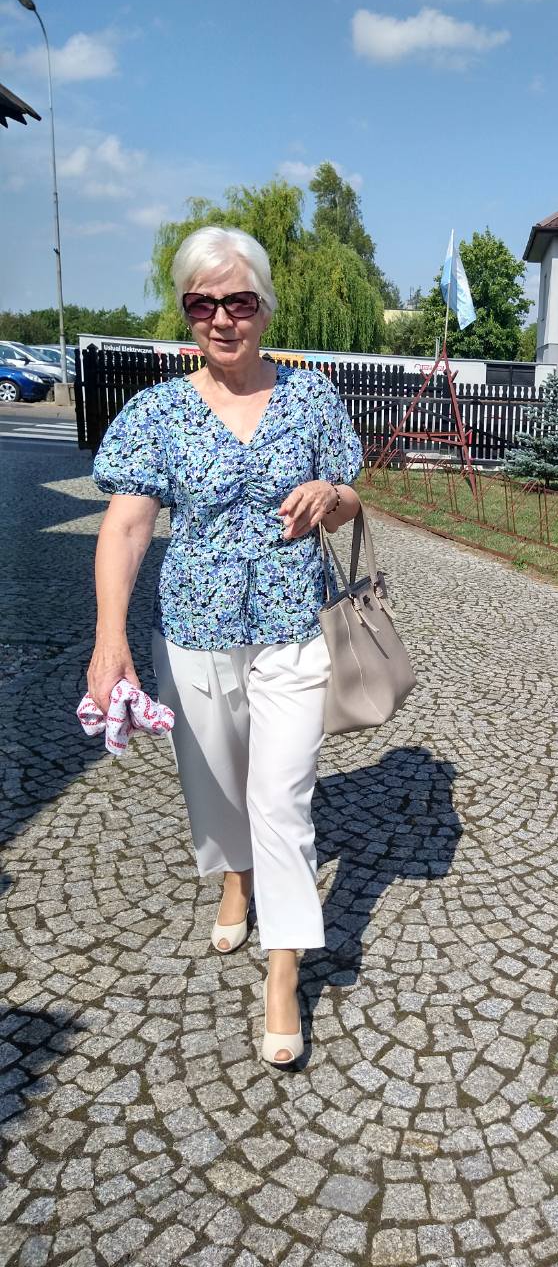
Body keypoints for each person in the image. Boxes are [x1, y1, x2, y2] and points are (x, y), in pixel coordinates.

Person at [87, 225, 363, 1065]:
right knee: (214, 783)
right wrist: (109, 641)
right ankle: (234, 875)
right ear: (186, 314)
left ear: (264, 306)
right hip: (197, 627)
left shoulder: (312, 397)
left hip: (291, 624)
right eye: (203, 303)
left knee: (280, 795)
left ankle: (282, 971)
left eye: (238, 300)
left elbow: (350, 499)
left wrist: (330, 496)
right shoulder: (158, 411)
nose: (222, 318)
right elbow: (128, 523)